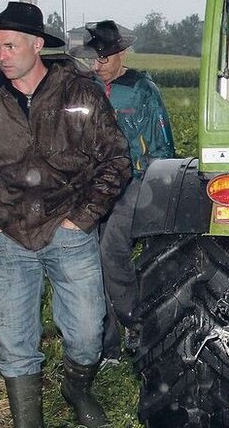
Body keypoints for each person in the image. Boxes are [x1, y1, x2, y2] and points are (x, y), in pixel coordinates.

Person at [0, 2, 130, 428]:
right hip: (9, 235)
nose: (2, 54)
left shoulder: (78, 92)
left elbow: (116, 159)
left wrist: (82, 218)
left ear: (37, 45)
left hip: (68, 229)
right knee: (14, 338)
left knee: (85, 332)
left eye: (11, 45)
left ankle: (77, 388)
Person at [69, 20, 176, 360]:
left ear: (120, 53)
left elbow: (162, 147)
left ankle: (137, 321)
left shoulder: (141, 88)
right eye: (93, 60)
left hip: (135, 181)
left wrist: (156, 191)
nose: (98, 66)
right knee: (87, 254)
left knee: (111, 247)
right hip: (93, 183)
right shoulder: (86, 89)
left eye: (104, 59)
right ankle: (107, 341)